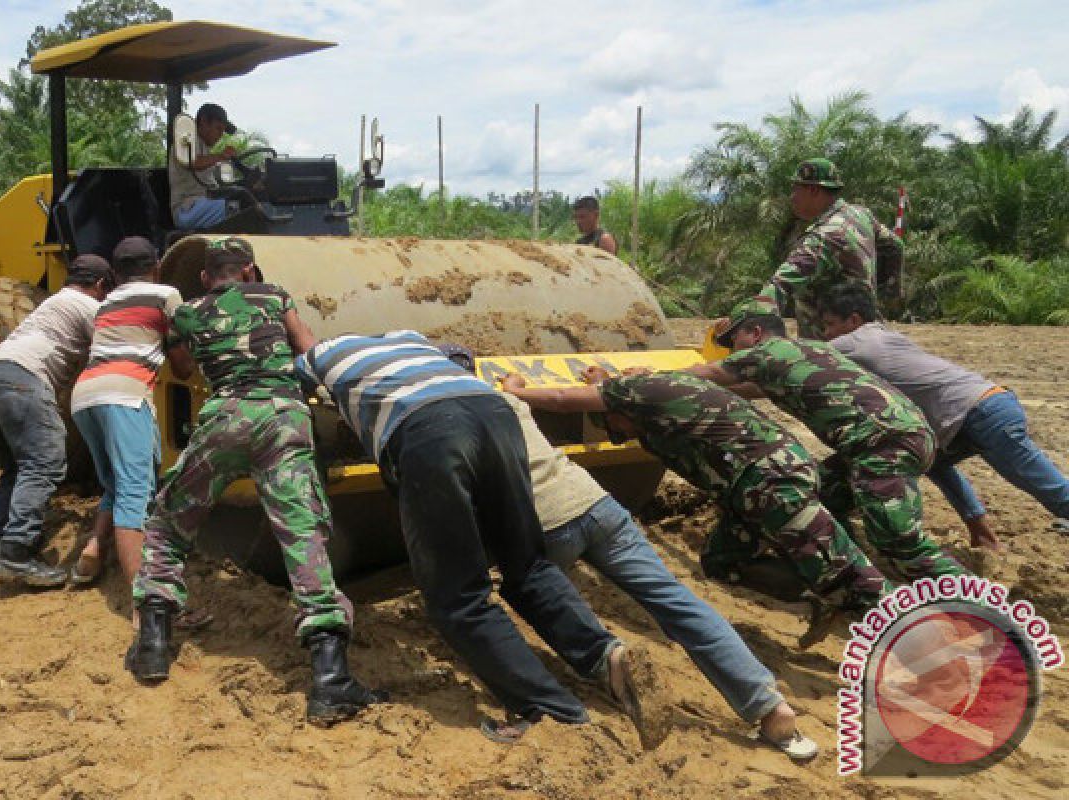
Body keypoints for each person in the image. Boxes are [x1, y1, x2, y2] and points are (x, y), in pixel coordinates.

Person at [438, 346, 816, 760]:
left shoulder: (443, 420)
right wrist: (512, 383)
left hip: (545, 523)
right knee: (676, 603)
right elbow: (515, 383)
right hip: (599, 506)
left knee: (530, 592)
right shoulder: (504, 399)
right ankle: (770, 707)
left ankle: (607, 662)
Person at [295, 331, 647, 744]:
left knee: (456, 597)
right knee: (526, 563)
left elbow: (276, 389)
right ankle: (602, 654)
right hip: (495, 415)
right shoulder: (408, 338)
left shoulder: (317, 355)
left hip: (430, 433)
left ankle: (550, 709)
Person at [128, 237, 386, 724]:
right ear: (249, 271)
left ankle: (152, 647)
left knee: (167, 522)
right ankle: (330, 679)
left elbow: (182, 368)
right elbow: (310, 350)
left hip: (224, 416)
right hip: (283, 418)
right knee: (302, 535)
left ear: (206, 277)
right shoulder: (274, 296)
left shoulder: (187, 312)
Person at [500, 365, 890, 650]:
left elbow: (561, 400)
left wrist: (514, 393)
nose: (618, 438)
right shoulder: (639, 396)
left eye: (613, 428)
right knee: (723, 562)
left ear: (618, 406)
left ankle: (927, 649)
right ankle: (817, 594)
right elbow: (605, 386)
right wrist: (598, 377)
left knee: (850, 571)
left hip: (773, 482)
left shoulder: (641, 391)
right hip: (745, 494)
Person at [697, 299, 967, 581]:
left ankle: (986, 608)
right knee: (820, 498)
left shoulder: (766, 352)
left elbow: (714, 372)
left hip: (882, 442)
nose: (731, 350)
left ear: (754, 332)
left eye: (733, 341)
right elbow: (754, 387)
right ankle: (853, 572)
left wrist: (654, 376)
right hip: (903, 433)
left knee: (900, 543)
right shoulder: (808, 349)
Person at [817, 283, 1069, 551]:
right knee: (932, 461)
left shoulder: (851, 343)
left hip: (981, 414)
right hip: (982, 408)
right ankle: (982, 533)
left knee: (1050, 490)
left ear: (854, 320)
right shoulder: (885, 335)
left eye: (830, 324)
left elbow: (799, 358)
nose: (827, 333)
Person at [69, 237, 194, 620]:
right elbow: (184, 364)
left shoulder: (107, 302)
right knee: (136, 495)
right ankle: (147, 605)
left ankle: (93, 548)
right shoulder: (165, 293)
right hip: (125, 394)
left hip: (85, 395)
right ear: (156, 265)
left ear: (116, 274)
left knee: (117, 484)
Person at [0, 254, 114, 585]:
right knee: (44, 463)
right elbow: (113, 352)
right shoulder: (89, 308)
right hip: (22, 378)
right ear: (99, 285)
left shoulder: (53, 303)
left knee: (17, 467)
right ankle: (16, 552)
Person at [746, 158, 902, 339]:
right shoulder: (860, 215)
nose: (792, 197)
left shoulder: (825, 237)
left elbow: (780, 285)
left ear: (813, 190)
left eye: (796, 189)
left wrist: (747, 321)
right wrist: (886, 294)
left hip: (832, 348)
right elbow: (894, 245)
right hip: (868, 332)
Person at [168, 102, 239, 229]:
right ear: (204, 122)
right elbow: (194, 162)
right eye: (218, 129)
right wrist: (221, 156)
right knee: (238, 206)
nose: (221, 135)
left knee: (245, 199)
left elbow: (219, 180)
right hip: (187, 210)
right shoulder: (185, 144)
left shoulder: (205, 149)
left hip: (204, 206)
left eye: (223, 131)